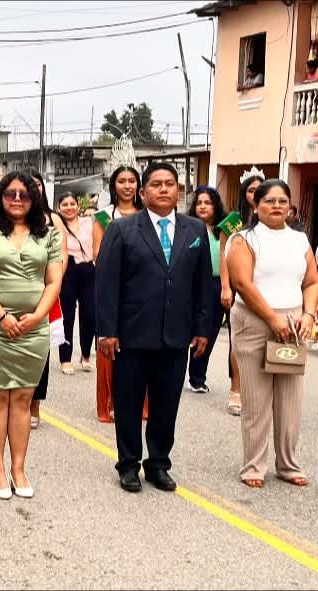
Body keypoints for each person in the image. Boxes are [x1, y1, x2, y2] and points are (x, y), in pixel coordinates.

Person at [96, 162, 212, 494]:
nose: (163, 189)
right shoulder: (122, 229)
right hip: (131, 335)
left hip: (176, 334)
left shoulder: (195, 230)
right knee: (129, 403)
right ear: (143, 192)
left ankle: (158, 464)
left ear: (179, 190)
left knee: (166, 404)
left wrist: (202, 328)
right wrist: (107, 330)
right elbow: (106, 283)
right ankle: (128, 464)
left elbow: (203, 283)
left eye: (169, 184)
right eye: (156, 184)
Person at [0, 172, 63, 499]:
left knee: (22, 400)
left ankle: (18, 469)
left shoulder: (49, 235)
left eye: (25, 194)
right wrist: (1, 316)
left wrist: (37, 316)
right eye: (11, 193)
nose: (18, 199)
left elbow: (54, 281)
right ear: (0, 197)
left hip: (33, 329)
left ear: (34, 199)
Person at [227, 179, 318, 489]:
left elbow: (312, 282)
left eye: (282, 201)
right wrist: (271, 318)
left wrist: (308, 314)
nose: (277, 206)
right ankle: (254, 465)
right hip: (254, 321)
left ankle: (288, 464)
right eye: (269, 201)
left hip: (293, 324)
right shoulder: (243, 239)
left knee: (290, 400)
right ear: (256, 205)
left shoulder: (300, 240)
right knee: (256, 399)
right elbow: (243, 284)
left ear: (290, 206)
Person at [92, 166, 144, 423]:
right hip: (113, 288)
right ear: (114, 185)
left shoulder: (147, 215)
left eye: (132, 181)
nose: (127, 186)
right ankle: (109, 404)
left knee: (142, 350)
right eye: (121, 181)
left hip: (143, 290)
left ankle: (142, 405)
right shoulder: (103, 217)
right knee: (110, 346)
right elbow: (98, 255)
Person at [25, 170, 67, 429]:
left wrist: (52, 283)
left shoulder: (53, 219)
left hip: (45, 291)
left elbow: (62, 255)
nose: (33, 188)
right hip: (14, 291)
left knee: (41, 352)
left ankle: (35, 405)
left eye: (37, 184)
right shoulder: (8, 219)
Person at [224, 173, 264, 416]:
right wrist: (226, 286)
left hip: (266, 288)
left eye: (260, 190)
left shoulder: (271, 220)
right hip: (239, 288)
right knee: (238, 341)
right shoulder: (234, 221)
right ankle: (236, 388)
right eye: (250, 190)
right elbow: (225, 254)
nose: (255, 194)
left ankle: (257, 390)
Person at [185, 186, 227, 393]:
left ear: (216, 206)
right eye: (199, 203)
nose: (202, 206)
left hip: (217, 284)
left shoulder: (224, 231)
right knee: (187, 328)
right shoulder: (186, 228)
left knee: (208, 331)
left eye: (208, 203)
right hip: (190, 285)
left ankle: (197, 377)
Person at [56, 192, 95, 375]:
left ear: (78, 206)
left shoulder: (90, 221)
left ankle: (85, 355)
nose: (69, 207)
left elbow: (109, 225)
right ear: (58, 209)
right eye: (65, 204)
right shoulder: (57, 225)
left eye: (72, 204)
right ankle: (65, 359)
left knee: (90, 315)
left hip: (89, 271)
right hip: (68, 271)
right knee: (67, 317)